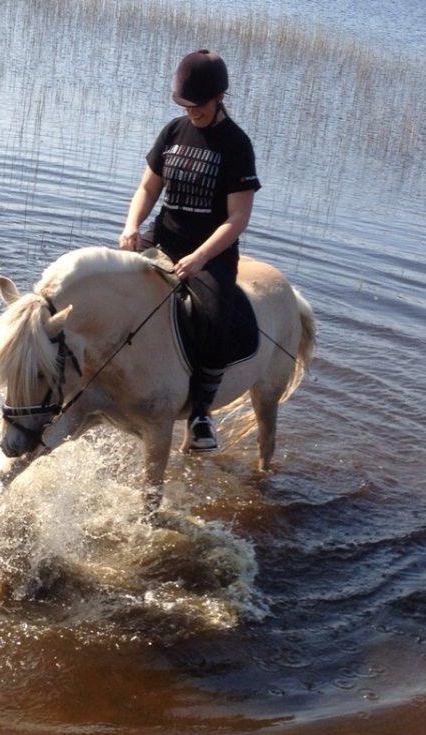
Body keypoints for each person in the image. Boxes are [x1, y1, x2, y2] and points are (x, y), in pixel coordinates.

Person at [119, 49, 261, 451]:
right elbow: (148, 188)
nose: (191, 111)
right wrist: (132, 228)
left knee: (216, 316)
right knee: (109, 280)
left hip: (211, 252)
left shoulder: (236, 145)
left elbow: (237, 219)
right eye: (184, 104)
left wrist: (200, 257)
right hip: (162, 238)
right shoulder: (173, 132)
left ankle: (200, 413)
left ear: (220, 97)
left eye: (198, 105)